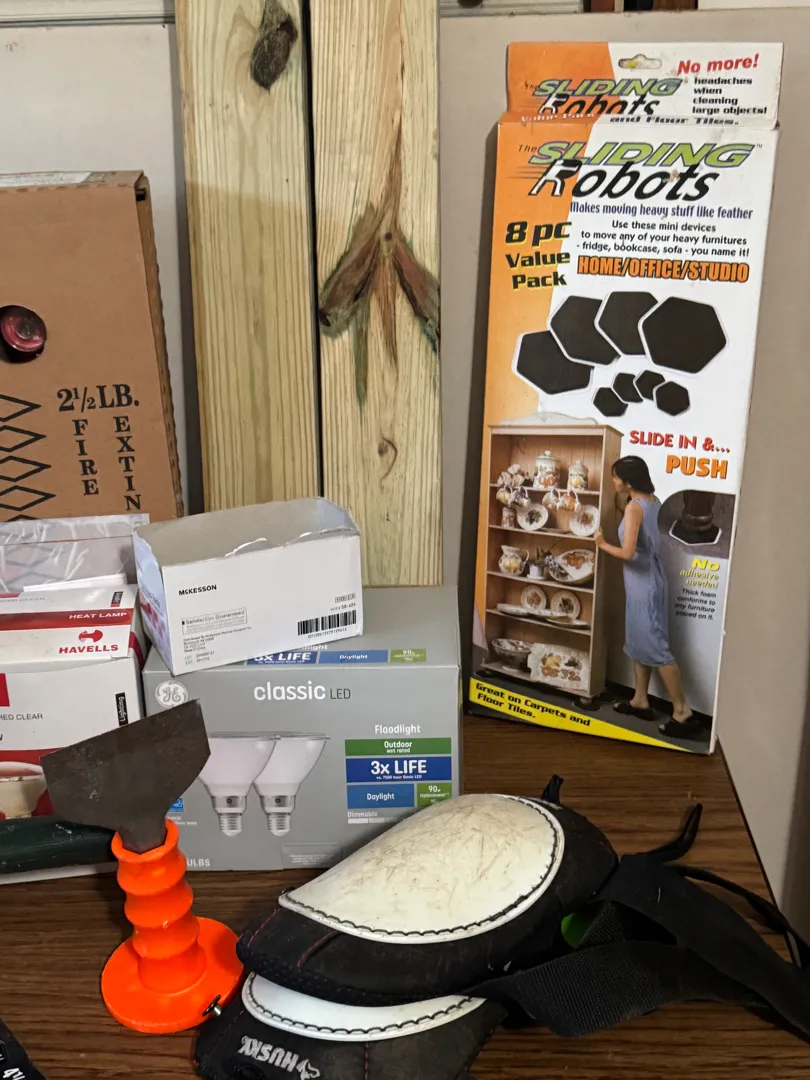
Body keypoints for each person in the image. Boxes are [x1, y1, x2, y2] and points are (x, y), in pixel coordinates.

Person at [594, 455, 703, 741]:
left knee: (656, 646)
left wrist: (602, 544)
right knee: (640, 639)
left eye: (616, 476)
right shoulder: (654, 502)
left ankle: (682, 712)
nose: (613, 480)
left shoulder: (634, 508)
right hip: (651, 580)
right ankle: (640, 700)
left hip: (644, 585)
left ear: (628, 481)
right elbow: (643, 534)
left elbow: (628, 552)